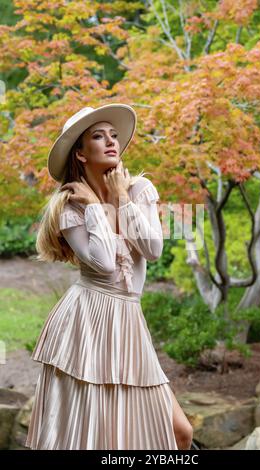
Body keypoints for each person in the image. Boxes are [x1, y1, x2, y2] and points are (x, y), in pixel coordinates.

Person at [25, 103, 193, 450]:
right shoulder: (70, 206)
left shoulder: (139, 189)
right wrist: (93, 208)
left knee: (180, 433)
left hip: (128, 320)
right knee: (93, 438)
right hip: (85, 324)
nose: (111, 141)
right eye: (98, 136)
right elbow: (102, 263)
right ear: (81, 153)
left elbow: (152, 249)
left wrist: (119, 198)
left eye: (113, 135)